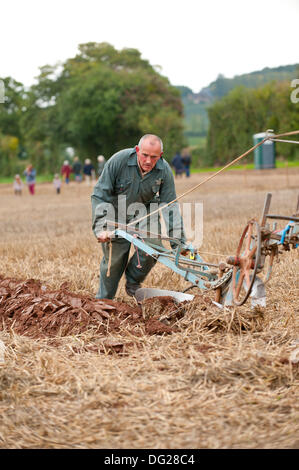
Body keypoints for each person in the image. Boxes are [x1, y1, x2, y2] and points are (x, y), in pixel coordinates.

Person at [91, 134, 187, 300]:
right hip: (116, 212)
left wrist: (179, 242)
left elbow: (170, 205)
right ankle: (104, 301)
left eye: (154, 157)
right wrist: (101, 227)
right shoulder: (118, 161)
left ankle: (133, 280)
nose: (149, 161)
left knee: (152, 247)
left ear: (161, 156)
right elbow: (100, 194)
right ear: (137, 150)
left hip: (146, 211)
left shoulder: (164, 170)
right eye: (145, 155)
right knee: (114, 262)